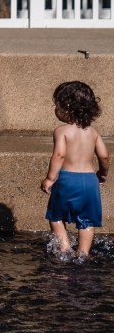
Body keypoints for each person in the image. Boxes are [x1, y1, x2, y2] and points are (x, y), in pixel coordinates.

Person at [41, 81, 109, 258]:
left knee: (56, 215)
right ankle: (83, 253)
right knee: (87, 220)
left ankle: (64, 247)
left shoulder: (62, 131)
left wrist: (50, 178)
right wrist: (102, 174)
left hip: (67, 179)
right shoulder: (93, 132)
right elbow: (104, 156)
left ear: (67, 107)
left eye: (57, 104)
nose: (55, 108)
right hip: (89, 181)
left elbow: (59, 155)